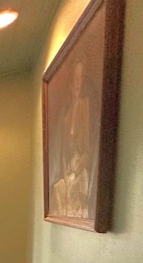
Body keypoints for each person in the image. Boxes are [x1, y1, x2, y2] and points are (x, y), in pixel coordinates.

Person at [51, 58, 92, 218]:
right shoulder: (65, 112)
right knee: (59, 190)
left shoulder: (86, 107)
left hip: (80, 169)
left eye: (80, 78)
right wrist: (65, 169)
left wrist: (79, 165)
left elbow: (89, 148)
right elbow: (59, 149)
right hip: (67, 169)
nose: (77, 83)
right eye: (74, 79)